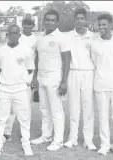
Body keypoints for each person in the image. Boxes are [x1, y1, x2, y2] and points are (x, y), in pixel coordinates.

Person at [30, 9, 71, 151]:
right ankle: (46, 135)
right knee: (44, 109)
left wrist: (64, 81)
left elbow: (67, 61)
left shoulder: (61, 38)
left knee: (56, 109)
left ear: (57, 22)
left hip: (55, 77)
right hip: (41, 76)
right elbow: (37, 58)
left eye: (52, 20)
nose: (49, 22)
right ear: (44, 21)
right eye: (47, 19)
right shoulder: (40, 37)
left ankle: (58, 140)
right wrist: (35, 76)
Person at [0, 24, 34, 156]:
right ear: (7, 34)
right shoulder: (1, 50)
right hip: (4, 89)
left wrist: (24, 82)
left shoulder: (26, 50)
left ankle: (26, 143)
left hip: (20, 89)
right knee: (1, 118)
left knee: (24, 118)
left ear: (19, 35)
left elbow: (30, 68)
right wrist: (0, 85)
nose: (13, 35)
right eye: (10, 33)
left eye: (16, 33)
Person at [89, 13, 113, 157]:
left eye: (104, 24)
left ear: (111, 25)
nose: (101, 27)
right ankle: (104, 144)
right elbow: (94, 62)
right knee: (103, 116)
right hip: (100, 84)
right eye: (100, 25)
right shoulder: (94, 42)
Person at [63, 8, 97, 151]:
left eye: (82, 18)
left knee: (87, 107)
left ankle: (88, 140)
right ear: (74, 20)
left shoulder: (93, 36)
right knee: (74, 107)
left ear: (85, 20)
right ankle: (73, 138)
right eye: (77, 18)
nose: (79, 21)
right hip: (73, 73)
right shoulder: (68, 36)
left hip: (88, 73)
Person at [3, 14, 37, 141]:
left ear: (33, 26)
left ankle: (25, 132)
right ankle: (7, 131)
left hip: (28, 74)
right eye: (25, 23)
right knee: (12, 106)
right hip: (14, 74)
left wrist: (34, 77)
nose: (27, 26)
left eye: (30, 24)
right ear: (22, 25)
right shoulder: (17, 37)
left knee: (26, 106)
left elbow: (36, 59)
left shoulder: (36, 39)